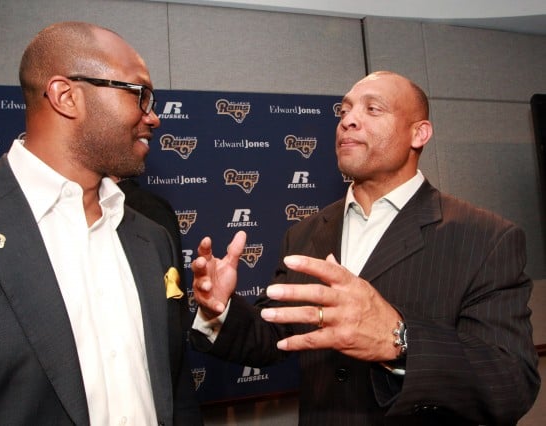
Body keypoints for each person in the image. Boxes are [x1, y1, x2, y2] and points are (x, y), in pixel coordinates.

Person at [190, 71, 540, 425]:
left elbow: (510, 382)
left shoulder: (486, 238)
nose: (348, 121)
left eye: (373, 109)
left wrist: (401, 341)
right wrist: (219, 310)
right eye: (344, 111)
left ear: (419, 133)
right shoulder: (304, 235)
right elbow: (274, 336)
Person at [0, 21, 202, 426]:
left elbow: (176, 392)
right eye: (140, 95)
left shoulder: (151, 237)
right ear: (66, 96)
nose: (154, 117)